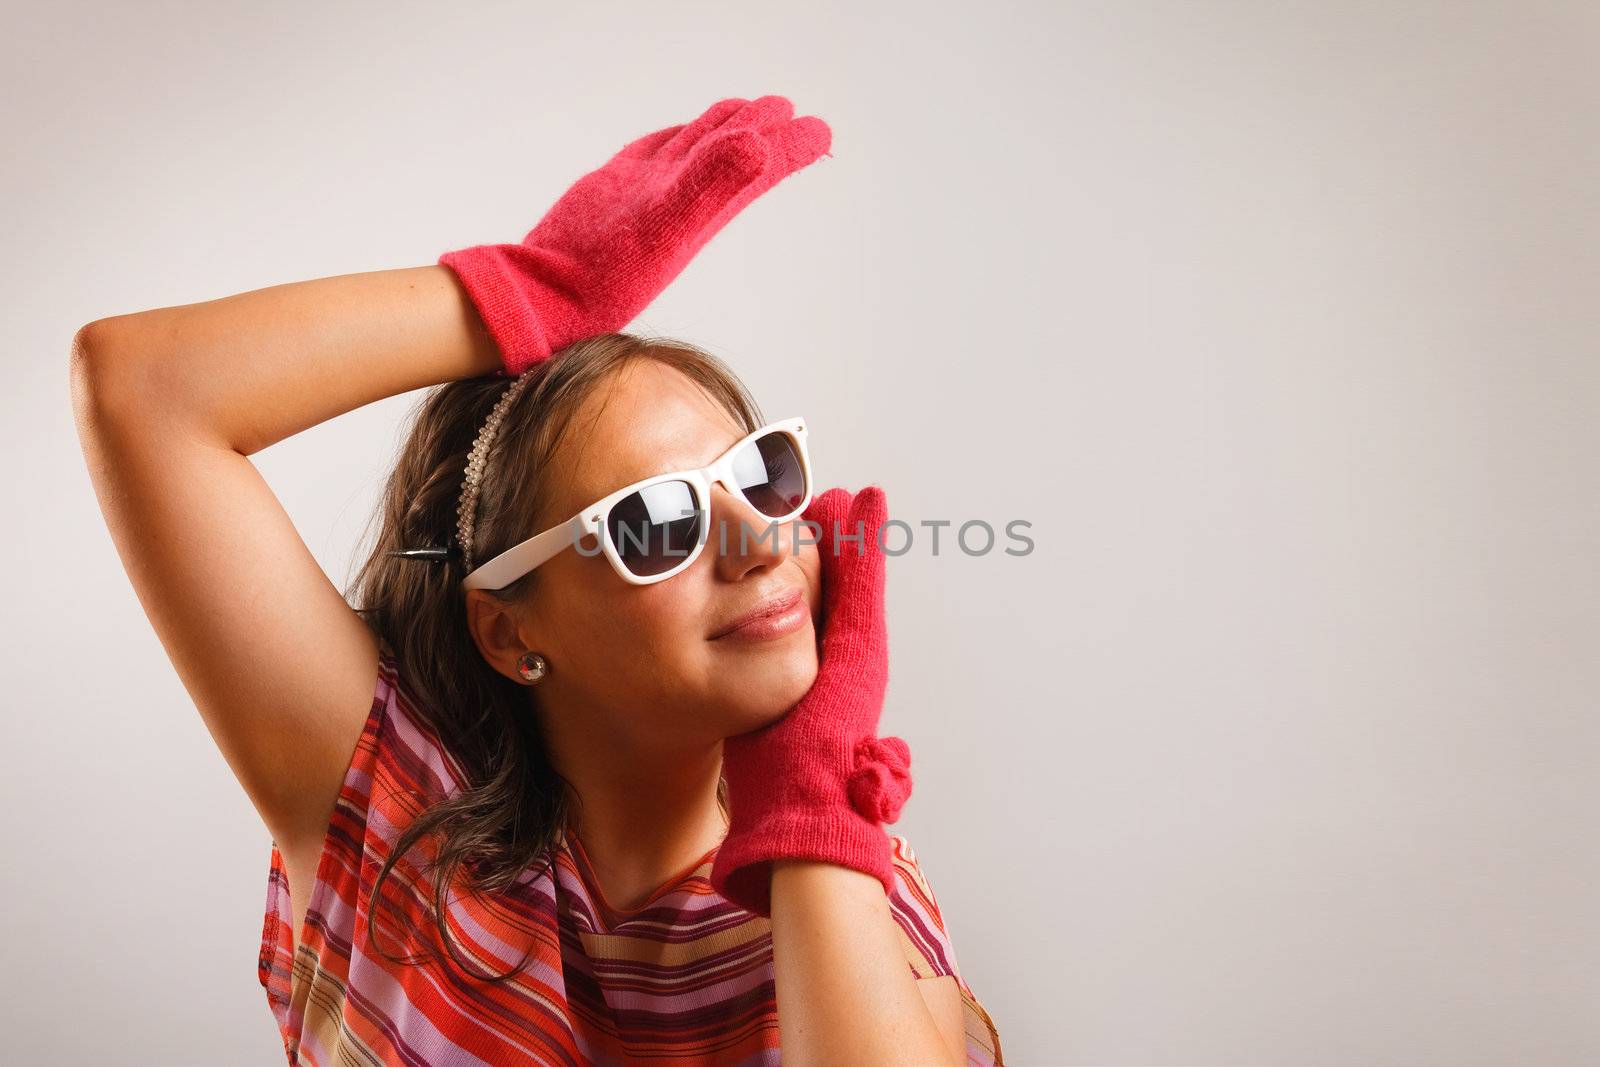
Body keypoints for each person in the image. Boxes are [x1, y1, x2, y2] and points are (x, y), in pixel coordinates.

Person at [70, 95, 1003, 1066]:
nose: (761, 541)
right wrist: (534, 291)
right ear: (510, 632)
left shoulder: (846, 896)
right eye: (658, 521)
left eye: (759, 475)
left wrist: (810, 801)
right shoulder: (396, 831)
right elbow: (142, 388)